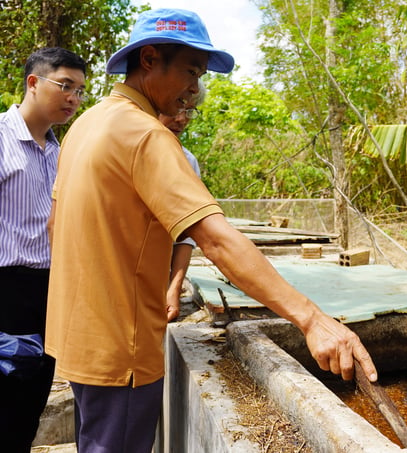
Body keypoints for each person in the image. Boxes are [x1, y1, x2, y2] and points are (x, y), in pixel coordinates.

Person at [45, 8, 377, 452]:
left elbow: (54, 225)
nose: (195, 91)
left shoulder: (85, 125)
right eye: (189, 72)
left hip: (79, 339)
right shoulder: (146, 135)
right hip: (122, 348)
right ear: (149, 59)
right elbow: (216, 239)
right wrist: (312, 319)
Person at [0, 47, 87, 453]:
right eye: (65, 85)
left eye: (81, 90)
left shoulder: (61, 151)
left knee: (31, 401)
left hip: (50, 290)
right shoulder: (2, 138)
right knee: (7, 395)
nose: (73, 97)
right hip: (8, 288)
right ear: (33, 83)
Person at [159, 79, 206, 321]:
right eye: (178, 107)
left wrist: (173, 288)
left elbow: (186, 235)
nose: (182, 119)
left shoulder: (188, 162)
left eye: (189, 111)